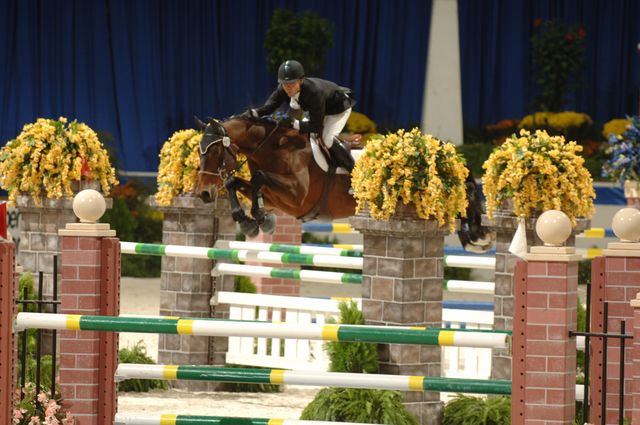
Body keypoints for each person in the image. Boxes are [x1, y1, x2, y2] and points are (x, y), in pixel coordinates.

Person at [246, 60, 356, 172]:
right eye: (284, 84)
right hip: (317, 108)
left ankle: (351, 170)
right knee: (299, 134)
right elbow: (268, 108)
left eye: (292, 84)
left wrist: (294, 123)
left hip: (337, 108)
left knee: (327, 139)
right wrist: (251, 113)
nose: (288, 88)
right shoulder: (282, 89)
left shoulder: (314, 92)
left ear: (301, 81)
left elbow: (315, 126)